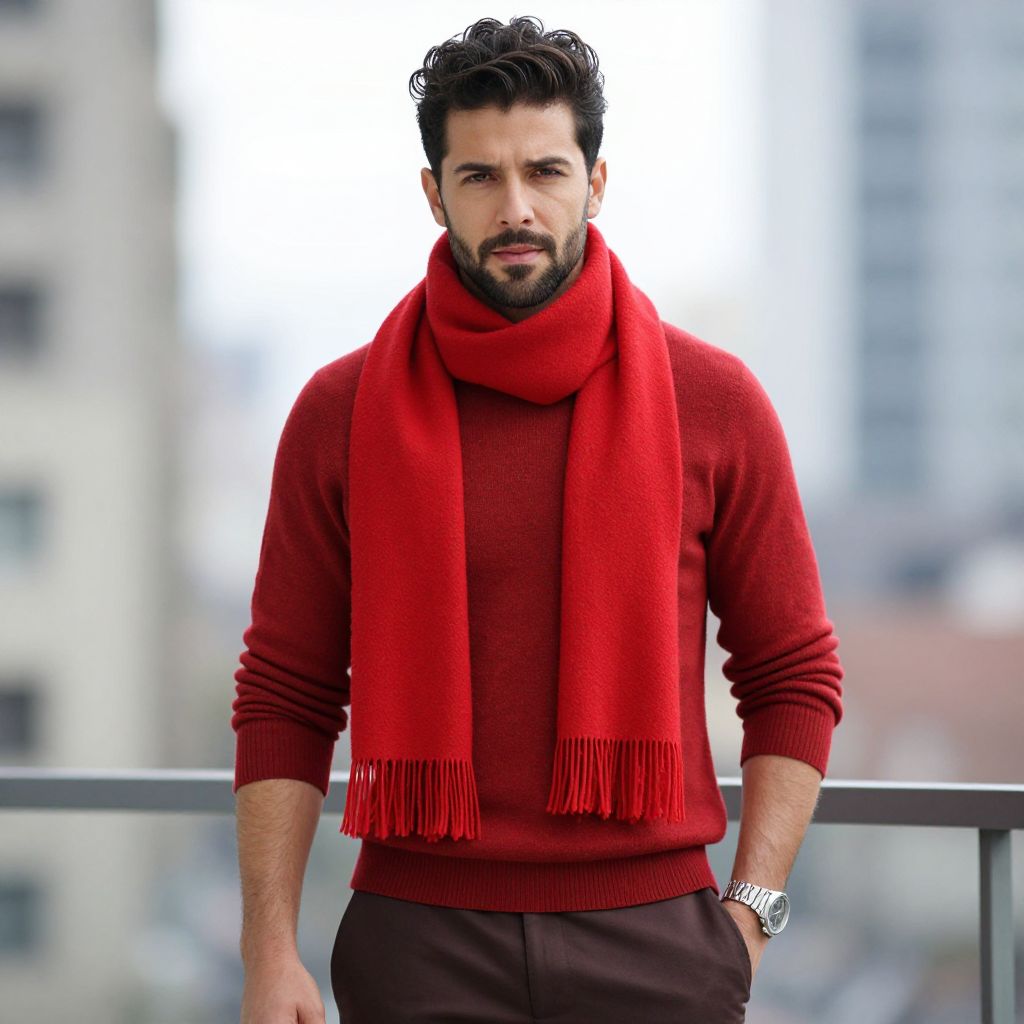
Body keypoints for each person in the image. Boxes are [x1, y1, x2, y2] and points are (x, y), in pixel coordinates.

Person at [232, 15, 844, 1024]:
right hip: (416, 941)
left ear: (595, 182)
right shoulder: (338, 414)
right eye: (478, 177)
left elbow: (793, 673)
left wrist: (749, 915)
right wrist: (269, 953)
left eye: (545, 171)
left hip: (657, 940)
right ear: (434, 193)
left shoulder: (716, 400)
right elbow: (285, 694)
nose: (516, 207)